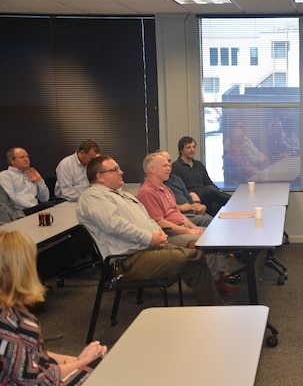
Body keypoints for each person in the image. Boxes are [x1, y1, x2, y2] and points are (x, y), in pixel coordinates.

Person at [76, 155, 222, 306]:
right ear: (100, 176)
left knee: (196, 258)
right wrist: (150, 238)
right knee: (194, 257)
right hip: (127, 260)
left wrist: (157, 233)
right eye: (115, 169)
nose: (121, 172)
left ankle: (211, 306)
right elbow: (115, 225)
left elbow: (147, 219)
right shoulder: (93, 197)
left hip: (147, 249)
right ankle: (214, 307)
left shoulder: (121, 195)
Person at [0, 229, 108, 385]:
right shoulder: (3, 322)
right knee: (102, 372)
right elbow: (33, 378)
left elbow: (33, 353)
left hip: (42, 375)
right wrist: (80, 363)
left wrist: (76, 360)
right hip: (38, 381)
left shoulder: (9, 305)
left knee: (101, 364)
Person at [136, 153, 240, 296]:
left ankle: (218, 281)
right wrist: (189, 232)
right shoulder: (147, 192)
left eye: (169, 164)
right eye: (164, 165)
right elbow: (159, 222)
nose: (168, 168)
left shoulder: (165, 188)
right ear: (152, 170)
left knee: (218, 235)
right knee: (207, 241)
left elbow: (178, 215)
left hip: (179, 227)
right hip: (168, 235)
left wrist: (193, 228)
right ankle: (209, 290)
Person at [171, 136, 230, 217]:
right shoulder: (176, 166)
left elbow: (208, 182)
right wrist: (190, 193)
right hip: (191, 198)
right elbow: (178, 188)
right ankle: (235, 201)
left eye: (193, 147)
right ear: (181, 150)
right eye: (188, 147)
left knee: (218, 207)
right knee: (209, 190)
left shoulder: (198, 164)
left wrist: (217, 192)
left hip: (206, 195)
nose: (192, 150)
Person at [154, 149, 212, 227]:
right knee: (212, 222)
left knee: (215, 219)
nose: (168, 165)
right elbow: (162, 209)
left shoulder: (176, 179)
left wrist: (199, 207)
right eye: (164, 163)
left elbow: (188, 198)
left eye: (169, 161)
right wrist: (180, 207)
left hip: (192, 212)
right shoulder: (155, 183)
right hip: (180, 216)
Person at [0, 147, 51, 215]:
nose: (26, 159)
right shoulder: (5, 175)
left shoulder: (31, 173)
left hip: (36, 209)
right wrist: (33, 207)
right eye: (22, 157)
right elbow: (11, 197)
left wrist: (40, 180)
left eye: (27, 156)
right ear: (12, 161)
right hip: (20, 212)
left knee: (51, 206)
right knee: (48, 206)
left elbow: (44, 199)